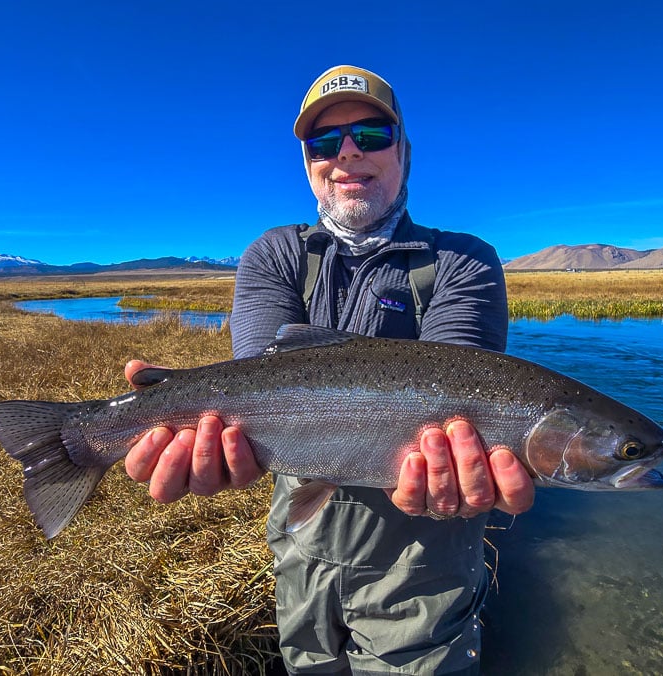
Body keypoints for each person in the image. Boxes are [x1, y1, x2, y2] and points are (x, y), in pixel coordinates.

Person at [124, 65, 535, 674]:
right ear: (308, 163)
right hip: (301, 545)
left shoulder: (462, 262)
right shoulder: (276, 253)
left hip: (424, 561)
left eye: (370, 135)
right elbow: (261, 388)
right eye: (324, 142)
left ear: (405, 152)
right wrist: (179, 402)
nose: (346, 153)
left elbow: (456, 399)